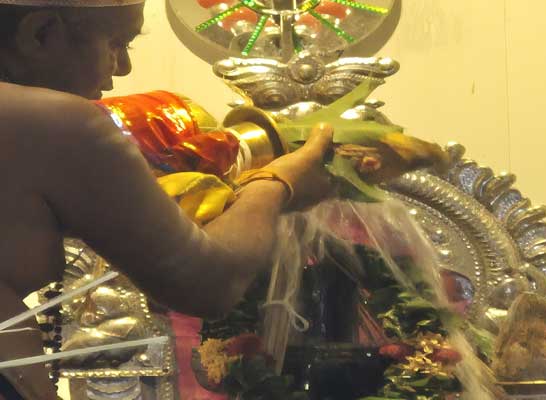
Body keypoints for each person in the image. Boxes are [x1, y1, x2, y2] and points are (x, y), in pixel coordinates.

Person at [0, 0, 333, 398]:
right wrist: (277, 182)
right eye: (117, 42)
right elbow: (208, 281)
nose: (123, 68)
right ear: (39, 33)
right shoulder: (53, 122)